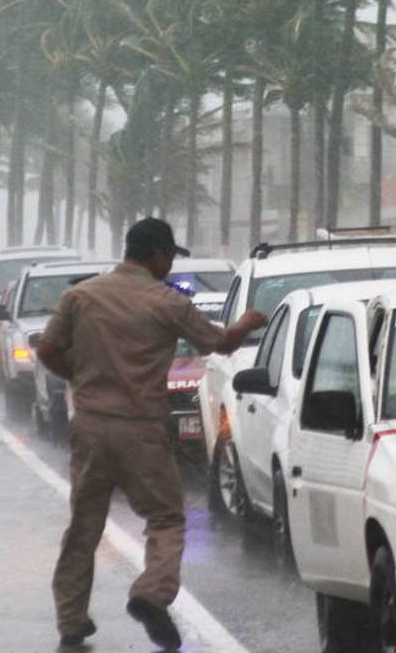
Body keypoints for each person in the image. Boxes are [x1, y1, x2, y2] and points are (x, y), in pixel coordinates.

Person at [36, 217, 267, 650]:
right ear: (158, 255)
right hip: (140, 427)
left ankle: (71, 620)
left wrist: (81, 380)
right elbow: (219, 344)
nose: (169, 267)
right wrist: (248, 322)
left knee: (84, 526)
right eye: (168, 258)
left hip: (89, 424)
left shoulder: (80, 296)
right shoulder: (167, 302)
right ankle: (151, 592)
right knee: (165, 518)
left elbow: (46, 349)